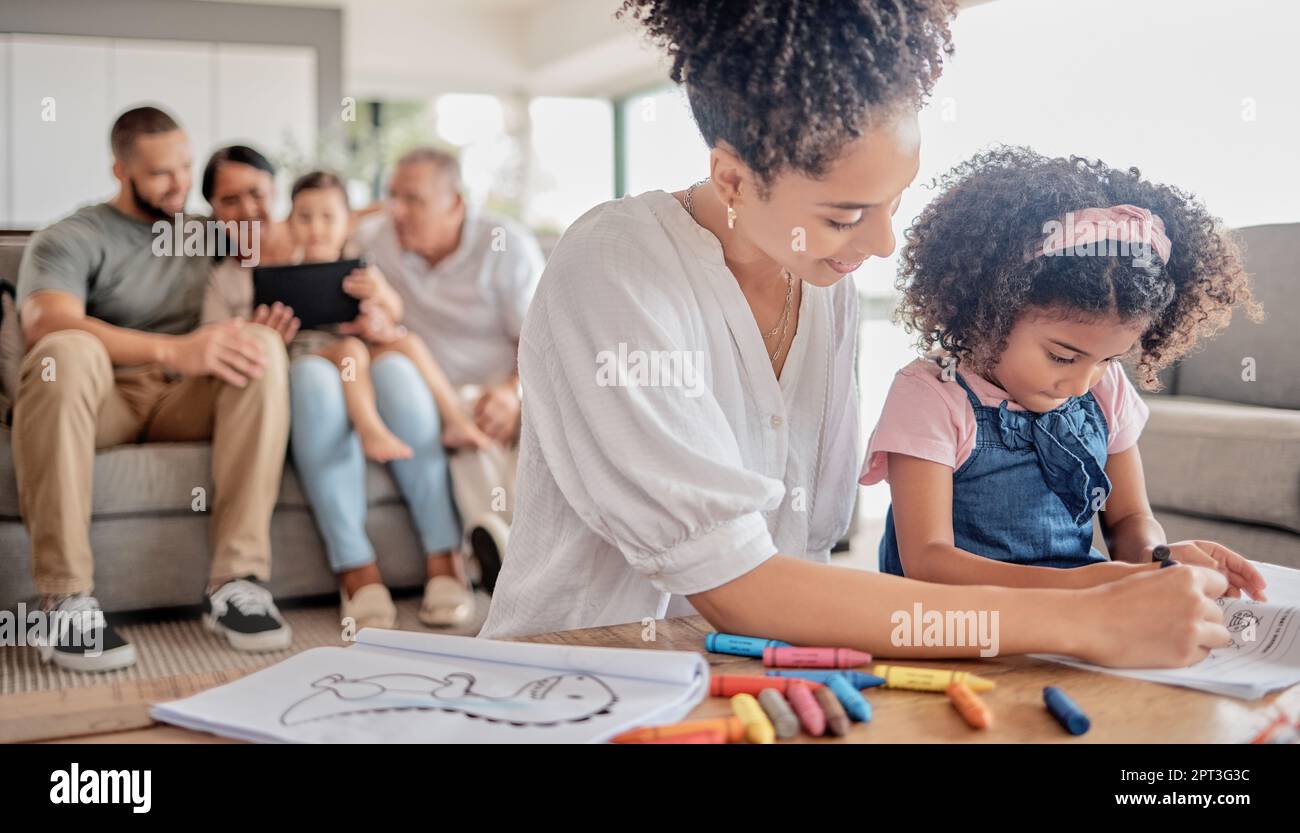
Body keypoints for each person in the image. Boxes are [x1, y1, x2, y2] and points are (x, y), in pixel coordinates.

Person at [478, 0, 1231, 670]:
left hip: (757, 677)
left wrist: (1129, 572)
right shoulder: (614, 271)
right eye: (845, 215)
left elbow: (801, 560)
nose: (883, 242)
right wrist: (1083, 614)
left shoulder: (819, 278)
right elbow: (744, 584)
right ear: (733, 180)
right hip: (583, 678)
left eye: (894, 200)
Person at [863, 146, 1267, 601]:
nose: (1080, 384)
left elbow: (1130, 521)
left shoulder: (1105, 389)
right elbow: (927, 562)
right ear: (989, 311)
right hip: (959, 623)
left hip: (1078, 609)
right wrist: (1079, 584)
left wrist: (1161, 559)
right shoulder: (932, 394)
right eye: (1062, 356)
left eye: (1109, 360)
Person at [14, 106, 292, 671]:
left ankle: (235, 584)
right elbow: (45, 320)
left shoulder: (205, 234)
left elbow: (316, 224)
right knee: (64, 350)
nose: (181, 184)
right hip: (103, 403)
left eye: (187, 167)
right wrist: (174, 349)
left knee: (259, 346)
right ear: (121, 170)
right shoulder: (73, 236)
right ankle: (65, 600)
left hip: (181, 401)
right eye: (163, 172)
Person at [204, 170, 483, 630]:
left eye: (328, 218)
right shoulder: (257, 273)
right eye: (304, 218)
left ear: (345, 223)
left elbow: (392, 316)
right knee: (321, 374)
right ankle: (355, 566)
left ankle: (445, 555)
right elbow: (221, 338)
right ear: (289, 221)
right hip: (311, 360)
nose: (315, 228)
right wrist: (261, 335)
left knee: (398, 358)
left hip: (368, 361)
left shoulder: (360, 268)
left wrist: (381, 312)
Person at [358, 148, 543, 592]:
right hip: (441, 394)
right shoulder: (377, 243)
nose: (397, 212)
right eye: (392, 197)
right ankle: (512, 556)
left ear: (455, 204)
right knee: (467, 430)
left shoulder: (505, 246)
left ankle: (510, 551)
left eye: (414, 200)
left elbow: (546, 340)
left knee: (507, 426)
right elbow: (318, 213)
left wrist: (513, 392)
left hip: (514, 384)